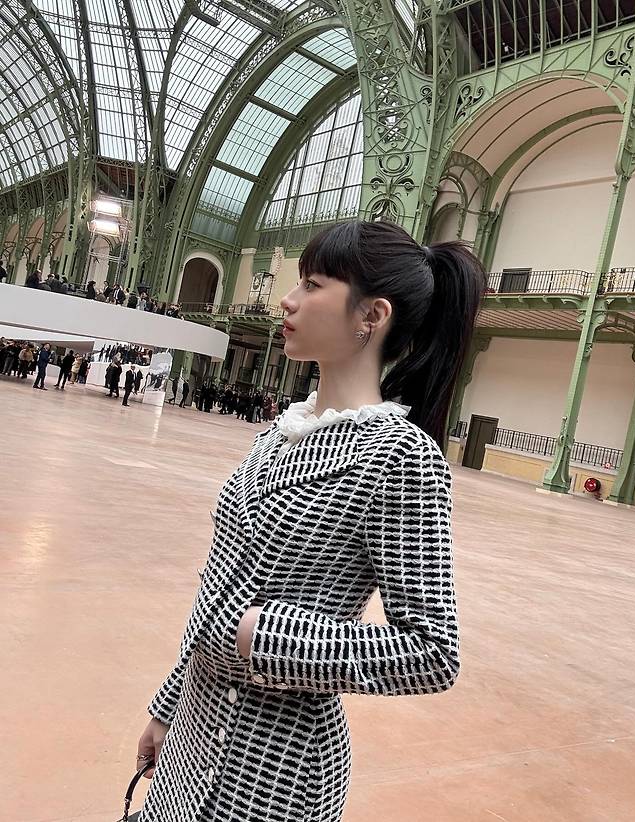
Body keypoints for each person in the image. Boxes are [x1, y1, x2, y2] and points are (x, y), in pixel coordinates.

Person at [135, 219, 486, 822]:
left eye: (313, 284)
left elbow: (433, 652)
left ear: (371, 315)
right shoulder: (277, 434)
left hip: (276, 770)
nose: (288, 300)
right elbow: (216, 594)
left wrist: (266, 638)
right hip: (193, 737)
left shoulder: (400, 458)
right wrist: (167, 709)